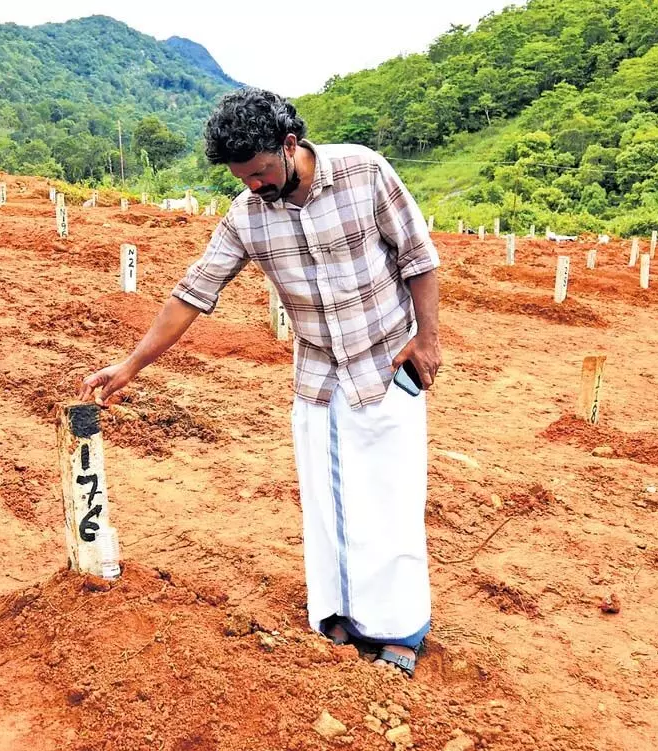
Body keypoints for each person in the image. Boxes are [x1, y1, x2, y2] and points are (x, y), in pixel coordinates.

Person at [78, 88, 442, 678]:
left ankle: (399, 629)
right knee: (327, 502)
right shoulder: (246, 216)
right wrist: (130, 366)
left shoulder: (364, 172)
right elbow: (193, 293)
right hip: (318, 375)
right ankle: (340, 617)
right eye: (241, 177)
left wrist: (427, 340)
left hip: (387, 361)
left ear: (289, 145)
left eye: (260, 172)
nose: (253, 185)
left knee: (390, 498)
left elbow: (418, 258)